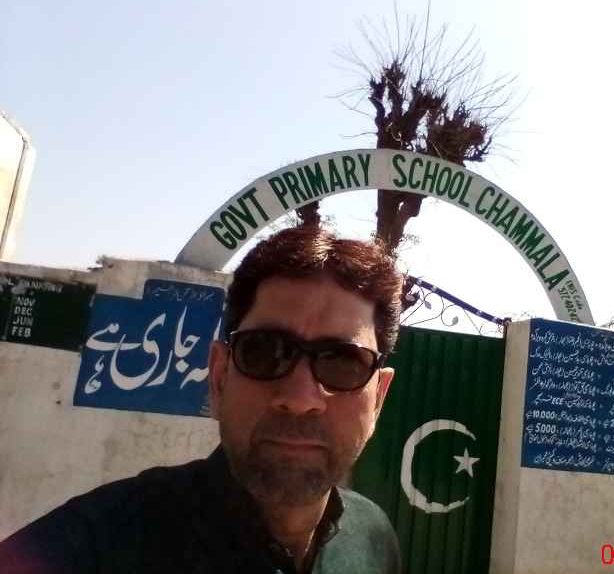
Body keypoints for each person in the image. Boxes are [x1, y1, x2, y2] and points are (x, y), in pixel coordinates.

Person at [0, 226, 404, 573]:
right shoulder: (94, 546)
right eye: (264, 352)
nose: (299, 399)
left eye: (343, 363)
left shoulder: (373, 539)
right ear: (219, 376)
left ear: (379, 398)